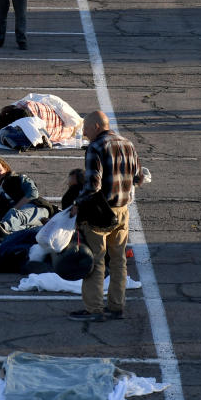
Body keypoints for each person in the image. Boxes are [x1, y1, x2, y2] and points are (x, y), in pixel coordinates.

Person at [68, 111, 143, 322]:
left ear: (96, 127)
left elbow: (93, 185)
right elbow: (139, 177)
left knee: (96, 260)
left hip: (99, 212)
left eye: (85, 130)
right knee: (119, 260)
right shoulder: (128, 143)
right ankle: (116, 306)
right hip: (122, 211)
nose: (84, 134)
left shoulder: (96, 147)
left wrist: (77, 205)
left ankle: (94, 309)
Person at [0, 157, 52, 241]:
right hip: (18, 219)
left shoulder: (18, 179)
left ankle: (2, 228)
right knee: (21, 225)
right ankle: (1, 233)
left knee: (15, 214)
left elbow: (33, 193)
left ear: (5, 168)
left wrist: (15, 208)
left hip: (38, 209)